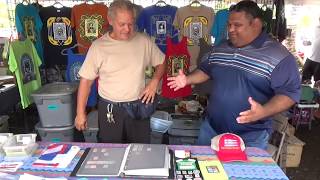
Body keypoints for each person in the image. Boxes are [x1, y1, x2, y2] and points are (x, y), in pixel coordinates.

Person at [167, 1, 301, 150]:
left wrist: (264, 111)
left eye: (237, 25)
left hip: (250, 136)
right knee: (204, 171)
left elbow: (289, 93)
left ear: (256, 24)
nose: (231, 29)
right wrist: (187, 79)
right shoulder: (221, 47)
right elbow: (205, 70)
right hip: (211, 130)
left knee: (241, 174)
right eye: (229, 25)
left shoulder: (278, 55)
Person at [75, 0, 165, 143]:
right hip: (110, 109)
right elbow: (86, 81)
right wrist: (80, 113)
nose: (127, 29)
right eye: (122, 24)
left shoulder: (144, 41)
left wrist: (154, 82)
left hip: (139, 107)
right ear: (110, 21)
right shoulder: (99, 47)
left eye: (130, 24)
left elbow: (162, 62)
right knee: (111, 153)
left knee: (139, 152)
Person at [301, 17, 320, 84]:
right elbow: (313, 40)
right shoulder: (316, 28)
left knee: (318, 83)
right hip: (311, 58)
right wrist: (307, 42)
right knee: (304, 80)